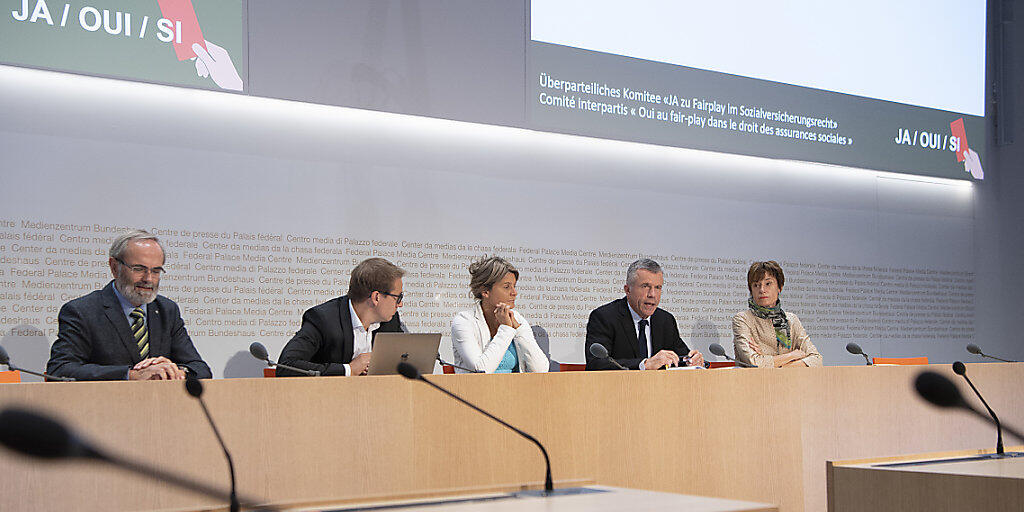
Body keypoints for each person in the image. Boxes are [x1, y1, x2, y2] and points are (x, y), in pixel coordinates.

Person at [46, 230, 212, 380]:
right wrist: (131, 375)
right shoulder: (82, 311)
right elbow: (60, 369)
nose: (148, 279)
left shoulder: (167, 310)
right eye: (139, 269)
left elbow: (200, 369)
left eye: (155, 271)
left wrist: (173, 371)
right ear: (114, 267)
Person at [277, 257, 404, 376]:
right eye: (398, 298)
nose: (400, 304)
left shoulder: (391, 321)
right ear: (376, 297)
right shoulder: (324, 319)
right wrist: (349, 369)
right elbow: (286, 366)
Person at [585, 258, 704, 370]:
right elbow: (596, 363)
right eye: (645, 286)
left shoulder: (665, 320)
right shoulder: (604, 317)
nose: (652, 294)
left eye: (657, 287)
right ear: (628, 290)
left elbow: (680, 356)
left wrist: (691, 360)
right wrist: (645, 364)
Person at [450, 256, 549, 373]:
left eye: (514, 286)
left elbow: (541, 370)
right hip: (478, 390)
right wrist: (506, 329)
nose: (514, 293)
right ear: (485, 291)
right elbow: (481, 370)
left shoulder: (517, 318)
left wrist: (519, 330)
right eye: (507, 287)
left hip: (516, 390)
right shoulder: (464, 321)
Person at [732, 261, 822, 367]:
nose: (762, 290)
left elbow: (816, 360)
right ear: (751, 290)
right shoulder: (743, 319)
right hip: (755, 382)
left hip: (790, 382)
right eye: (756, 285)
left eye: (768, 284)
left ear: (780, 287)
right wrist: (793, 355)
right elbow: (755, 363)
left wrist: (773, 364)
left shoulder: (791, 320)